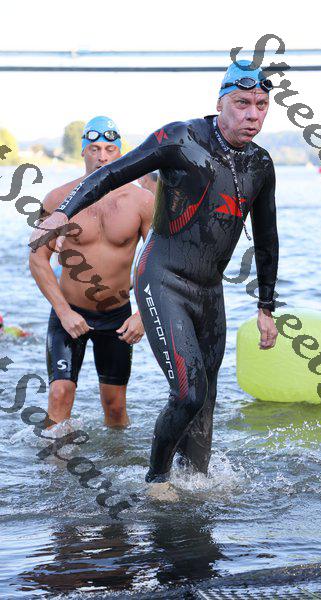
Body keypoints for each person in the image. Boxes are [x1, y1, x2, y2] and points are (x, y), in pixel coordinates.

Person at [31, 61, 279, 499]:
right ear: (220, 102)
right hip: (163, 280)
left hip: (208, 291)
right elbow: (111, 174)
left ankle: (194, 484)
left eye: (261, 105)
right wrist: (63, 213)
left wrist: (266, 307)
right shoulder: (180, 138)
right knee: (188, 393)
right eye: (242, 103)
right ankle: (157, 480)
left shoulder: (260, 163)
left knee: (205, 401)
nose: (252, 114)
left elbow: (267, 236)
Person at [29, 116, 154, 428]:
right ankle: (53, 461)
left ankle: (117, 459)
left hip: (117, 317)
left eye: (110, 149)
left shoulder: (142, 201)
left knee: (115, 407)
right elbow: (38, 259)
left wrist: (142, 315)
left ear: (120, 152)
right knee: (59, 394)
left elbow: (160, 262)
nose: (102, 156)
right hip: (70, 313)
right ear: (83, 151)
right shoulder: (57, 199)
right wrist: (63, 312)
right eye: (94, 149)